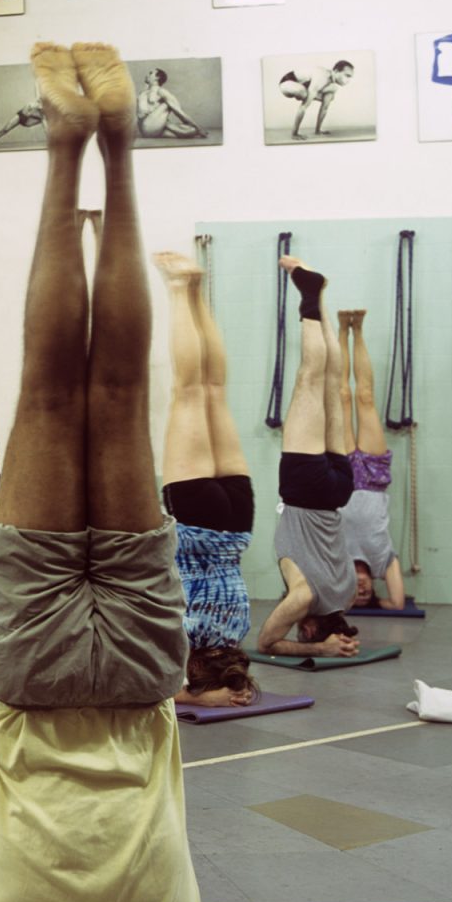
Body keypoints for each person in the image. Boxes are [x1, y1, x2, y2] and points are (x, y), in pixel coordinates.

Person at [0, 42, 198, 902]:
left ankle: (116, 150)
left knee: (115, 398)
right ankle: (70, 146)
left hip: (129, 676)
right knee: (52, 395)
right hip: (47, 676)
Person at [154, 253, 255, 708]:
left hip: (238, 523)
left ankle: (195, 290)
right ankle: (179, 288)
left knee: (214, 389)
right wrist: (199, 699)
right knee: (188, 390)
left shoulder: (239, 627)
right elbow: (159, 692)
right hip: (196, 520)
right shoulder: (187, 631)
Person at [256, 259, 360, 658]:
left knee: (333, 382)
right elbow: (266, 643)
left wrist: (336, 634)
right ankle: (308, 294)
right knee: (310, 377)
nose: (297, 627)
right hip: (306, 489)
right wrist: (321, 650)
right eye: (303, 632)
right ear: (312, 627)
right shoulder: (303, 600)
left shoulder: (346, 597)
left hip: (338, 491)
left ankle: (318, 297)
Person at [338, 308, 406, 612]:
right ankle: (359, 330)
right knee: (364, 397)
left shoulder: (337, 558)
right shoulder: (382, 561)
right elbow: (398, 602)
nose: (363, 588)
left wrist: (344, 601)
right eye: (367, 594)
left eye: (358, 593)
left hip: (340, 480)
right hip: (374, 480)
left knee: (341, 395)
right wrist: (385, 604)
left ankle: (343, 330)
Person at [278, 60, 354, 140]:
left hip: (304, 86)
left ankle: (318, 130)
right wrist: (294, 134)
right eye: (347, 76)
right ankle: (294, 133)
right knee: (304, 94)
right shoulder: (322, 77)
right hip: (287, 83)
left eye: (350, 77)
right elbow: (303, 107)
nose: (348, 80)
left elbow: (324, 108)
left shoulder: (330, 81)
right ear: (336, 71)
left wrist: (318, 131)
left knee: (333, 90)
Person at [135, 69, 207, 139]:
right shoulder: (143, 92)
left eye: (150, 73)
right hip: (146, 127)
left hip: (150, 128)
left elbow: (178, 111)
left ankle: (196, 129)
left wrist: (197, 127)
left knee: (191, 130)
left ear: (157, 77)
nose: (147, 75)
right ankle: (195, 129)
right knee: (167, 107)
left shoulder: (161, 91)